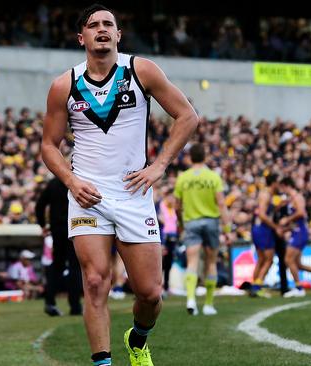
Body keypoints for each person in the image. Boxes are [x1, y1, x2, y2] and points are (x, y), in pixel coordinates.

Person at [40, 5, 198, 366]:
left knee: (150, 293)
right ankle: (103, 362)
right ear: (81, 37)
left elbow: (187, 116)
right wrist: (70, 180)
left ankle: (138, 338)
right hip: (87, 196)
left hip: (133, 193)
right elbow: (49, 145)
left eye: (108, 24)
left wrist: (158, 165)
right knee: (95, 282)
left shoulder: (140, 70)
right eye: (93, 25)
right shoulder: (64, 84)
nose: (102, 29)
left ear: (118, 34)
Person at [174, 143, 232, 316]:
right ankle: (208, 304)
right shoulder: (213, 177)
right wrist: (227, 228)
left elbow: (177, 206)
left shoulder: (183, 177)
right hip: (211, 222)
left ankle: (191, 299)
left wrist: (181, 224)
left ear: (190, 158)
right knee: (211, 262)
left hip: (191, 222)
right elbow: (221, 203)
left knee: (192, 261)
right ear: (205, 157)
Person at [35, 176, 82, 316]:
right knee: (75, 267)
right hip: (74, 227)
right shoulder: (77, 180)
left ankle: (50, 302)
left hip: (58, 229)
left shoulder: (53, 183)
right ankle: (75, 306)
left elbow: (40, 205)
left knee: (58, 265)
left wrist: (43, 225)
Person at [278, 177, 311, 297]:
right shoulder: (291, 199)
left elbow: (301, 213)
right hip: (296, 231)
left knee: (288, 260)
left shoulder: (298, 197)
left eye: (282, 187)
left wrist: (286, 220)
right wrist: (286, 228)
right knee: (297, 264)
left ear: (287, 185)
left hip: (300, 232)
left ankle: (299, 288)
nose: (282, 190)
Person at [249, 174, 280, 298]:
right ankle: (257, 287)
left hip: (258, 229)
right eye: (278, 183)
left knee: (261, 259)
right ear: (273, 183)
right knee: (269, 259)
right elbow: (262, 214)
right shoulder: (266, 194)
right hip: (263, 229)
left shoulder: (266, 194)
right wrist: (275, 227)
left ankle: (254, 287)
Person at [158, 188, 178, 296]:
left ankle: (166, 286)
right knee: (161, 262)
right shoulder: (161, 206)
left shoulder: (173, 208)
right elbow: (160, 219)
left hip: (173, 237)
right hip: (164, 237)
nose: (173, 199)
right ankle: (159, 286)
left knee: (169, 263)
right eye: (171, 197)